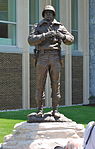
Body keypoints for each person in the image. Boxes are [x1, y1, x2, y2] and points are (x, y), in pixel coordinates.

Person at [28, 5, 74, 117]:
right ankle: (39, 110)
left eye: (50, 13)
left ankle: (55, 110)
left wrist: (61, 36)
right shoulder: (38, 26)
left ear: (54, 14)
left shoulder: (59, 26)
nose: (48, 15)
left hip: (55, 57)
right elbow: (30, 40)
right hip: (42, 57)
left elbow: (71, 39)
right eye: (46, 13)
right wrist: (45, 35)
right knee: (40, 84)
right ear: (43, 14)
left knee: (55, 84)